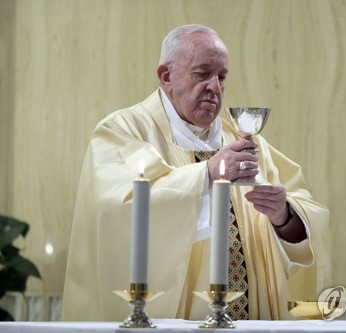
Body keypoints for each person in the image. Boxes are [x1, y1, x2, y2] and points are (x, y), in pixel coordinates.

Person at [62, 24, 329, 321]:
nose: (215, 88)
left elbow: (307, 210)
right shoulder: (123, 130)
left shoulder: (244, 142)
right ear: (166, 76)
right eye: (202, 74)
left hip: (252, 320)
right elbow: (116, 211)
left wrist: (284, 216)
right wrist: (207, 174)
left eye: (222, 77)